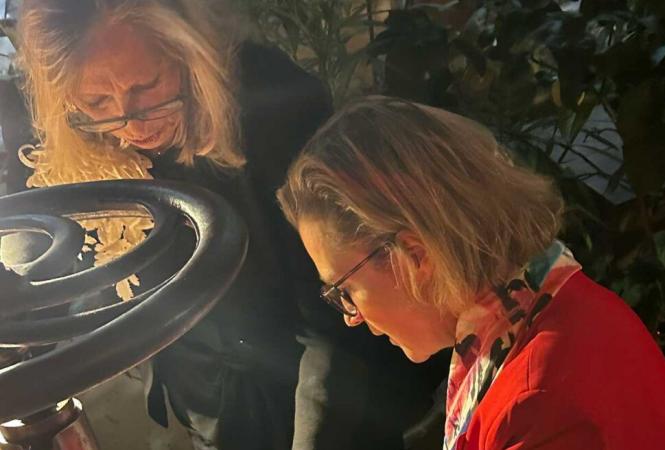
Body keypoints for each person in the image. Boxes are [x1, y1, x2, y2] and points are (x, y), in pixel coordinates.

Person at [1, 2, 444, 449]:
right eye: (97, 102)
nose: (130, 122)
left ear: (187, 49)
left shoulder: (271, 102)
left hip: (314, 377)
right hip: (203, 388)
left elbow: (336, 309)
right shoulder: (71, 127)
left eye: (148, 86)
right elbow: (34, 231)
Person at [277, 96, 665, 450]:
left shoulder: (536, 402)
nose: (351, 317)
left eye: (344, 289)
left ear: (412, 255)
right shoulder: (558, 304)